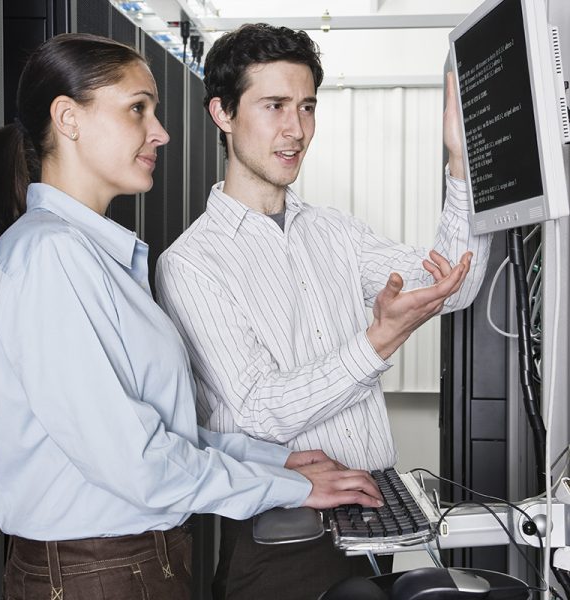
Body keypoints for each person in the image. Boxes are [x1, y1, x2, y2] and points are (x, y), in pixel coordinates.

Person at [0, 32, 384, 600]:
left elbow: (166, 434)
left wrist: (277, 459)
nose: (160, 132)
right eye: (138, 109)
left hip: (134, 563)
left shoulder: (92, 256)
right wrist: (283, 484)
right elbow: (138, 465)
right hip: (96, 573)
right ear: (68, 118)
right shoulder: (50, 257)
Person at [155, 23, 493, 600]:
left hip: (369, 519)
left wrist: (461, 164)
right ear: (223, 113)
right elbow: (262, 411)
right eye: (275, 106)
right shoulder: (191, 263)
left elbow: (451, 286)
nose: (296, 130)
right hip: (281, 542)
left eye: (307, 107)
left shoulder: (332, 231)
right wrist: (377, 343)